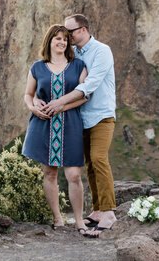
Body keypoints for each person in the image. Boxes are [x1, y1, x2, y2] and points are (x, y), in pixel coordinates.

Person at [36, 14, 117, 237]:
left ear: (82, 30)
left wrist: (60, 103)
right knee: (89, 163)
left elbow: (90, 84)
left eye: (70, 32)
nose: (67, 36)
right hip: (80, 117)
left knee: (99, 159)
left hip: (101, 116)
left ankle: (109, 212)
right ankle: (98, 210)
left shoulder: (102, 51)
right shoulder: (75, 55)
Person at [23, 24, 89, 233]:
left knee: (74, 175)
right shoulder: (37, 67)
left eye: (65, 39)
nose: (61, 42)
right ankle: (58, 218)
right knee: (49, 173)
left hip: (70, 123)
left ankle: (79, 220)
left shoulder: (78, 66)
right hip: (43, 124)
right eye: (57, 38)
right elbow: (28, 94)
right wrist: (33, 107)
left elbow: (85, 95)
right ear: (49, 41)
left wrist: (61, 106)